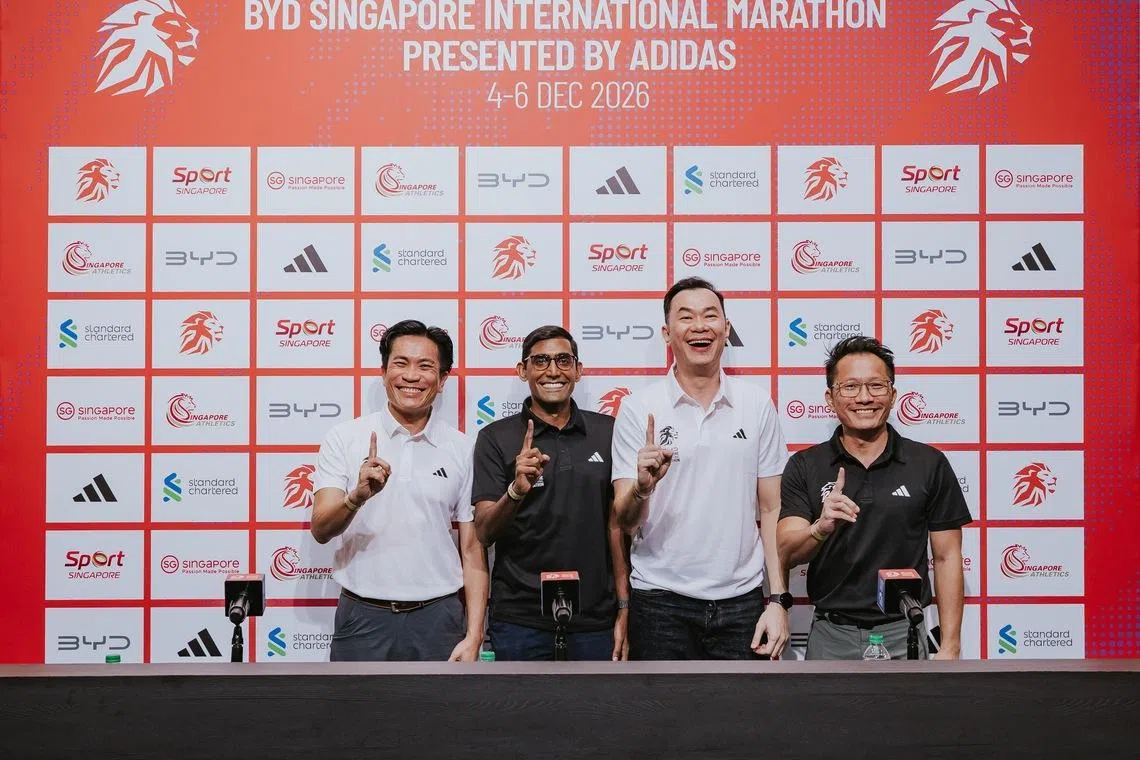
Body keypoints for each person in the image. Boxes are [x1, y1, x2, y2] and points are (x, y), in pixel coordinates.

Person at [610, 277, 791, 660]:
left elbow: (773, 508)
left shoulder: (756, 404)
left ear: (726, 329)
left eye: (710, 316)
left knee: (739, 720)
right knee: (660, 721)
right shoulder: (638, 408)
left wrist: (777, 599)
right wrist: (642, 488)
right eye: (685, 317)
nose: (699, 326)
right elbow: (625, 520)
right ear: (666, 333)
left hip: (742, 602)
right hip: (660, 602)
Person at [778, 335, 971, 660]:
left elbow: (947, 557)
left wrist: (951, 643)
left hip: (905, 632)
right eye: (850, 387)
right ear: (830, 398)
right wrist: (821, 527)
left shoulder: (929, 463)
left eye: (876, 386)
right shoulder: (805, 465)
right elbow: (786, 551)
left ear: (893, 394)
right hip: (831, 635)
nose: (864, 398)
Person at [311, 319, 488, 661]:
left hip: (439, 618)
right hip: (361, 617)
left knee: (440, 716)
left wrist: (474, 634)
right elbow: (321, 529)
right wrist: (356, 497)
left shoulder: (463, 448)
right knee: (355, 715)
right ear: (383, 372)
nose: (411, 376)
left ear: (442, 380)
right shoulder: (344, 438)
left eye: (425, 366)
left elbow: (472, 550)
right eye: (400, 363)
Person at [471, 325, 630, 661]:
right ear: (522, 370)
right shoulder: (495, 438)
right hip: (520, 620)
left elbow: (617, 528)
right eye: (540, 361)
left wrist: (624, 606)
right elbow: (484, 532)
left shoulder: (607, 432)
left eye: (563, 360)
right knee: (523, 714)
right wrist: (515, 490)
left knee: (600, 715)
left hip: (595, 619)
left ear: (578, 370)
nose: (553, 371)